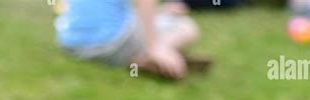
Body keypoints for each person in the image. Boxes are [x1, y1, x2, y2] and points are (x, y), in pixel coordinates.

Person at [53, 0, 212, 79]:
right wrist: (154, 47)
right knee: (186, 27)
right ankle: (153, 54)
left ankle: (138, 58)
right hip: (112, 44)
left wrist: (160, 11)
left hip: (71, 42)